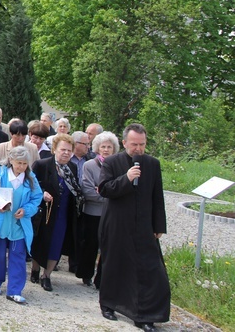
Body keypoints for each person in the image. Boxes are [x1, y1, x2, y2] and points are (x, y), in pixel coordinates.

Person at [98, 124, 169, 331]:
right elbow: (105, 189)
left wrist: (159, 225)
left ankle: (144, 314)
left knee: (150, 270)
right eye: (134, 144)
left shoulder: (152, 164)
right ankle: (109, 304)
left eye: (142, 144)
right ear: (124, 143)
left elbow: (158, 196)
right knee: (114, 265)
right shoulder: (112, 162)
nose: (138, 148)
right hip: (117, 224)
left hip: (144, 225)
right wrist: (127, 179)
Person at [0, 146, 43, 304]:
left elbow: (37, 198)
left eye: (25, 164)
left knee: (18, 256)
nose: (21, 167)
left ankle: (15, 290)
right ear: (11, 160)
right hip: (0, 222)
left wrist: (26, 210)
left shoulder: (30, 178)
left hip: (19, 224)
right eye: (18, 163)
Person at [30, 133, 83, 292]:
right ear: (54, 149)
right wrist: (42, 194)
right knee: (40, 241)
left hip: (63, 213)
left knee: (56, 244)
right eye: (63, 150)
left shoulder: (72, 168)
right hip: (45, 212)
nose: (66, 153)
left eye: (69, 150)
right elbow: (32, 185)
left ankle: (47, 275)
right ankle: (35, 269)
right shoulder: (42, 164)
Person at [76, 130, 118, 289]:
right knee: (90, 244)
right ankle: (86, 274)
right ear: (97, 148)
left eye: (109, 147)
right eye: (103, 146)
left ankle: (101, 279)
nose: (106, 150)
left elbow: (119, 189)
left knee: (107, 246)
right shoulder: (90, 165)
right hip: (92, 212)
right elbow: (87, 190)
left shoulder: (117, 166)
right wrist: (109, 194)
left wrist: (102, 191)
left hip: (110, 213)